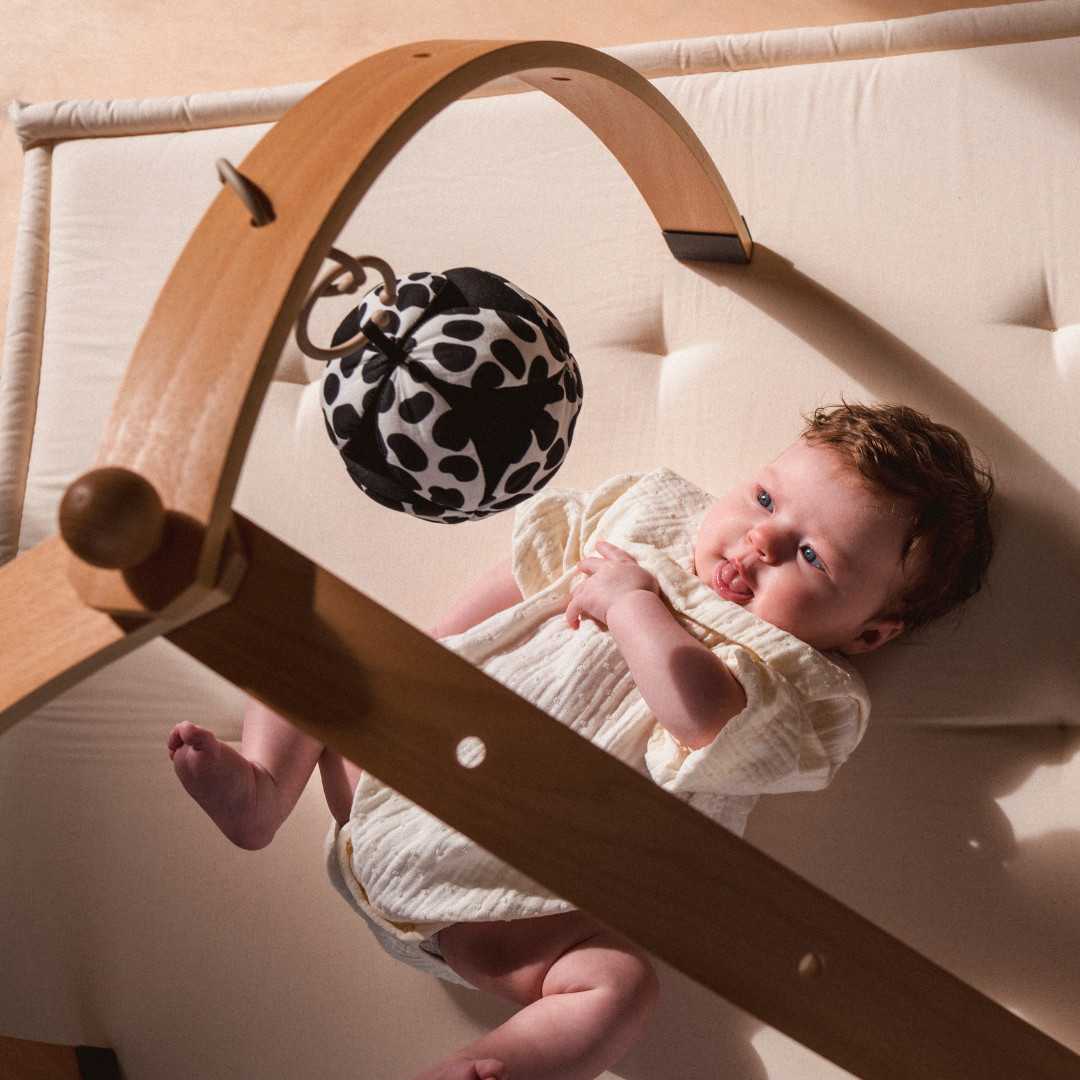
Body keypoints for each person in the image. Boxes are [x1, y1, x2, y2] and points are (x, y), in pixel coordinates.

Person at [167, 401, 993, 1080]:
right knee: (319, 639)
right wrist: (414, 659)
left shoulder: (799, 683)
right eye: (766, 501)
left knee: (618, 986)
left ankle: (487, 1068)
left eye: (811, 558)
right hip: (387, 772)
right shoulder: (652, 514)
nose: (759, 544)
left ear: (869, 634)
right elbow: (522, 578)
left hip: (507, 913)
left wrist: (635, 604)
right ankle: (268, 788)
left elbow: (696, 712)